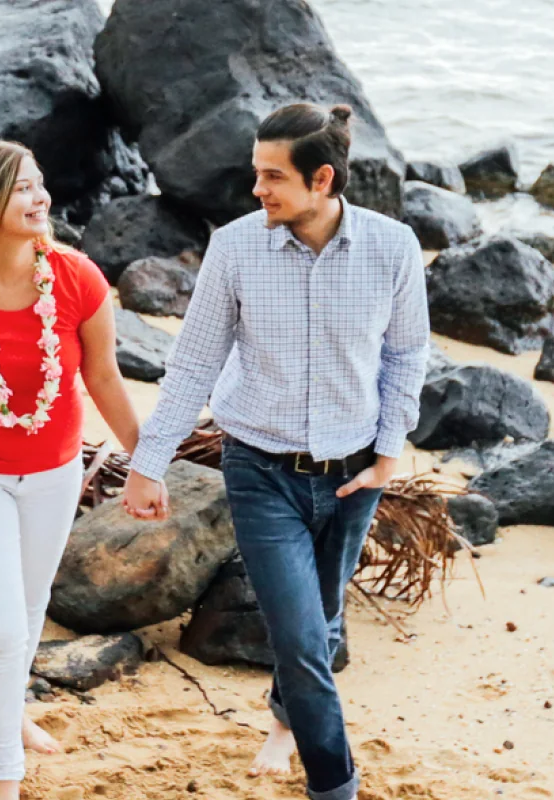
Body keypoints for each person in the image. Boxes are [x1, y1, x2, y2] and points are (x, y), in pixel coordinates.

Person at [119, 103, 429, 800]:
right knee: (298, 639)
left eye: (271, 176)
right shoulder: (235, 248)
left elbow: (407, 354)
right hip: (261, 470)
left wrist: (388, 454)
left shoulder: (393, 248)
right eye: (255, 173)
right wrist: (147, 463)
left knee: (321, 622)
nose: (256, 189)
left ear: (322, 180)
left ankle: (285, 720)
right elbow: (194, 364)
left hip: (355, 475)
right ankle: (336, 787)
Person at [0, 141, 146, 799]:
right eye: (21, 189)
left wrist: (148, 462)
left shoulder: (77, 278)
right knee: (4, 626)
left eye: (40, 184)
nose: (40, 198)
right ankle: (5, 779)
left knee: (32, 606)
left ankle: (9, 712)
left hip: (53, 472)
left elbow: (102, 377)